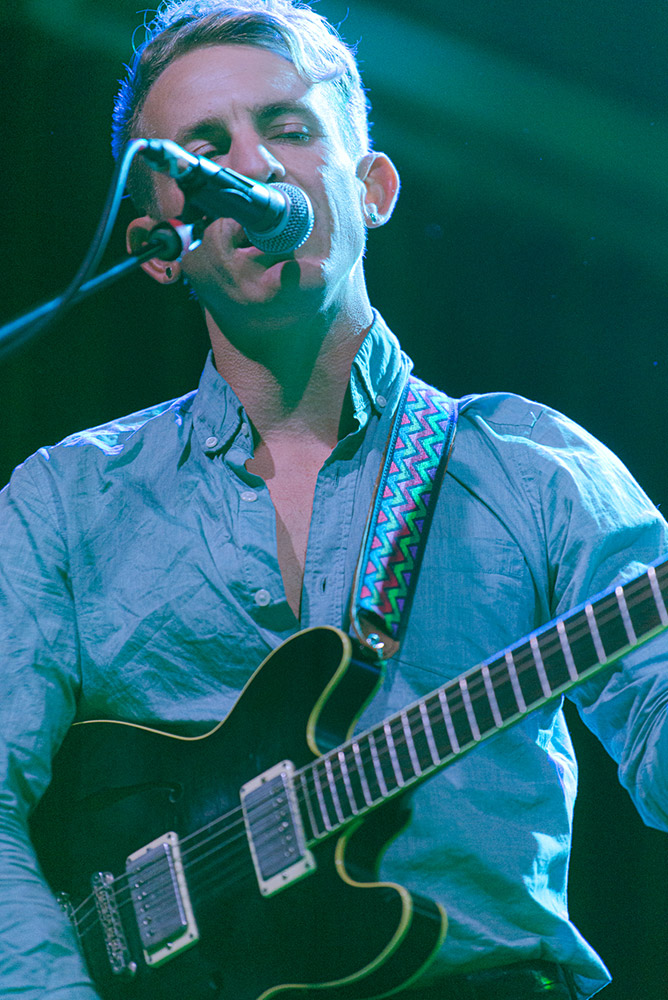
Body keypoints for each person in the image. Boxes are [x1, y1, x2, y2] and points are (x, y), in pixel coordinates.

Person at [0, 1, 666, 998]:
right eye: (205, 151)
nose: (255, 167)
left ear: (372, 187)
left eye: (289, 128)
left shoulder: (534, 467)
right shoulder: (64, 499)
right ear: (157, 246)